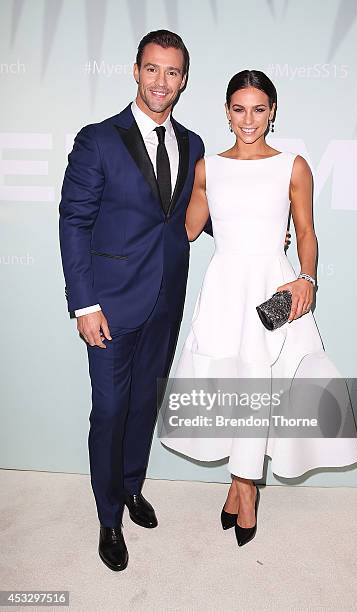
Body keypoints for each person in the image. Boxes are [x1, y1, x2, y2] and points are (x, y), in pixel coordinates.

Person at [160, 70, 357, 547]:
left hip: (273, 284)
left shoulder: (293, 165)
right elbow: (189, 228)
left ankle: (245, 489)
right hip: (226, 283)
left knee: (263, 385)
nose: (248, 119)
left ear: (272, 111)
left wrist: (306, 277)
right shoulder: (208, 167)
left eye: (258, 109)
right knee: (233, 386)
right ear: (226, 111)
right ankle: (240, 484)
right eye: (238, 109)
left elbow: (307, 232)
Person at [59, 30, 220, 571]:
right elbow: (74, 222)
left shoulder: (194, 144)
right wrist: (84, 305)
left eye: (173, 73)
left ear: (183, 81)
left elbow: (191, 216)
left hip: (166, 300)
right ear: (135, 71)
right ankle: (108, 518)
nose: (162, 82)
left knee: (143, 406)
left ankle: (131, 486)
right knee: (109, 410)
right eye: (153, 69)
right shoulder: (97, 139)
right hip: (107, 305)